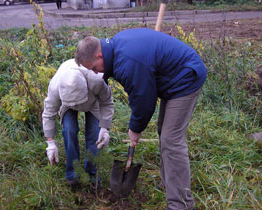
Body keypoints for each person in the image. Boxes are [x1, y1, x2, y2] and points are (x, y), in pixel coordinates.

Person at [75, 28, 207, 210]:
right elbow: (142, 93)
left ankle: (181, 204)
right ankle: (169, 184)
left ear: (99, 56)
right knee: (164, 132)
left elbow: (144, 100)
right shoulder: (116, 46)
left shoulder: (127, 63)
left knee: (171, 140)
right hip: (171, 78)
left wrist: (135, 129)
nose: (96, 73)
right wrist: (136, 125)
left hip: (185, 79)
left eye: (94, 68)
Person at [42, 59, 114, 189]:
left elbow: (107, 103)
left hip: (92, 103)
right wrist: (50, 143)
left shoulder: (96, 80)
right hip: (67, 104)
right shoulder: (55, 86)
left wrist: (104, 127)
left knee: (94, 134)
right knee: (69, 130)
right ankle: (72, 175)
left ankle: (92, 175)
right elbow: (48, 114)